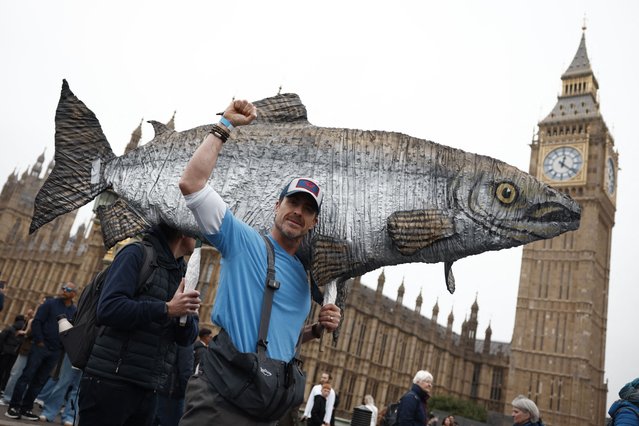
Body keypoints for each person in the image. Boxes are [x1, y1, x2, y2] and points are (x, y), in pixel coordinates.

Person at [178, 99, 341, 426]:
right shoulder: (241, 239)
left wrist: (318, 328)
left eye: (307, 209)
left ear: (313, 223)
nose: (298, 211)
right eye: (292, 202)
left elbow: (283, 339)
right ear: (277, 205)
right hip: (221, 397)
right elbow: (192, 184)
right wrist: (224, 125)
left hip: (268, 407)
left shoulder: (306, 281)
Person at [77, 223, 200, 426]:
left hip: (149, 386)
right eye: (196, 231)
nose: (199, 237)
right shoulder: (135, 253)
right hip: (110, 381)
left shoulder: (184, 273)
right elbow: (109, 308)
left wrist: (184, 317)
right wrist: (167, 309)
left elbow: (185, 339)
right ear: (183, 232)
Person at [6, 283, 77, 420]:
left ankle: (26, 408)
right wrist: (39, 341)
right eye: (63, 288)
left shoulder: (73, 311)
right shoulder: (50, 304)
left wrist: (62, 346)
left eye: (67, 289)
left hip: (56, 350)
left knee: (40, 380)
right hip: (41, 347)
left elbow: (70, 330)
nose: (64, 291)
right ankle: (13, 407)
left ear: (74, 293)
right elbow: (37, 321)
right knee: (27, 376)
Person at [0, 307, 35, 404]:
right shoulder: (26, 326)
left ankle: (6, 394)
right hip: (17, 352)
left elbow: (2, 339)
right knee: (12, 372)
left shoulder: (11, 328)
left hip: (10, 351)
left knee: (10, 372)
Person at [154, 344, 194, 426]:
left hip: (157, 386)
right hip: (173, 392)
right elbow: (186, 370)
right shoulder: (185, 341)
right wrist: (189, 393)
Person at [0, 314, 26, 390]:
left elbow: (1, 339)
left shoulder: (10, 328)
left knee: (1, 368)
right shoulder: (23, 331)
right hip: (15, 354)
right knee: (9, 371)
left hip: (5, 352)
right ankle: (3, 387)